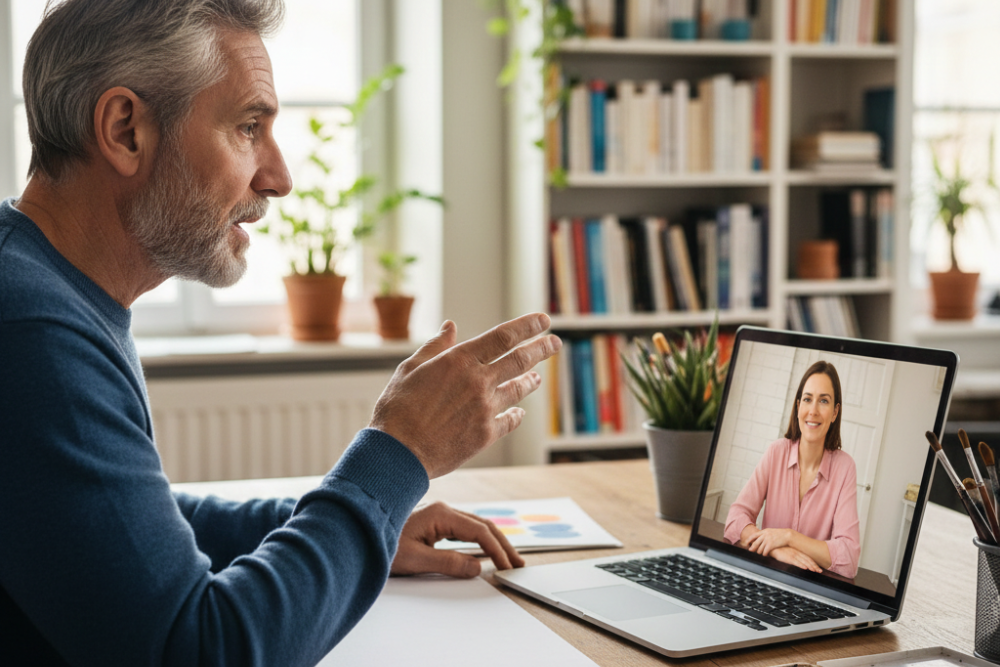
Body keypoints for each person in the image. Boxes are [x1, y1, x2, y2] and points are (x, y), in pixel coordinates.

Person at [0, 1, 561, 664]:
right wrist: (395, 456)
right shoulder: (33, 332)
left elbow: (122, 528)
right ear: (126, 131)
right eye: (247, 127)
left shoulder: (46, 286)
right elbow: (205, 650)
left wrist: (368, 522)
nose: (280, 176)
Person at [723, 361, 861, 579]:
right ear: (798, 407)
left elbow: (849, 560)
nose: (813, 411)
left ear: (835, 413)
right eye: (807, 399)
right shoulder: (776, 452)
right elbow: (735, 519)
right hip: (764, 575)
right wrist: (776, 549)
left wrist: (789, 537)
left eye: (823, 401)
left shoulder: (845, 467)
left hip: (810, 587)